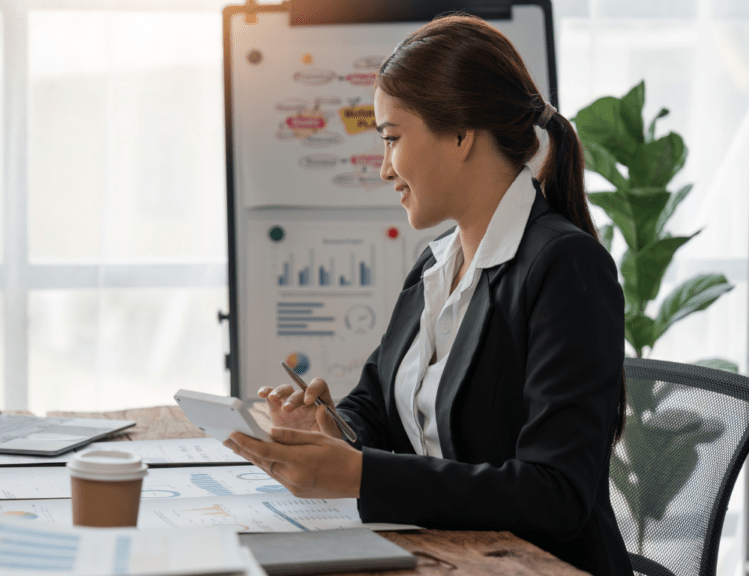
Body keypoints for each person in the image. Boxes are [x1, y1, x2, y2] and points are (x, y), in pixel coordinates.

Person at [223, 13, 633, 576]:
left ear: (462, 134)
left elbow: (555, 493)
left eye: (392, 139)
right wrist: (333, 428)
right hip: (444, 557)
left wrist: (360, 474)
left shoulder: (564, 267)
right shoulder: (438, 261)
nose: (385, 167)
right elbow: (379, 404)